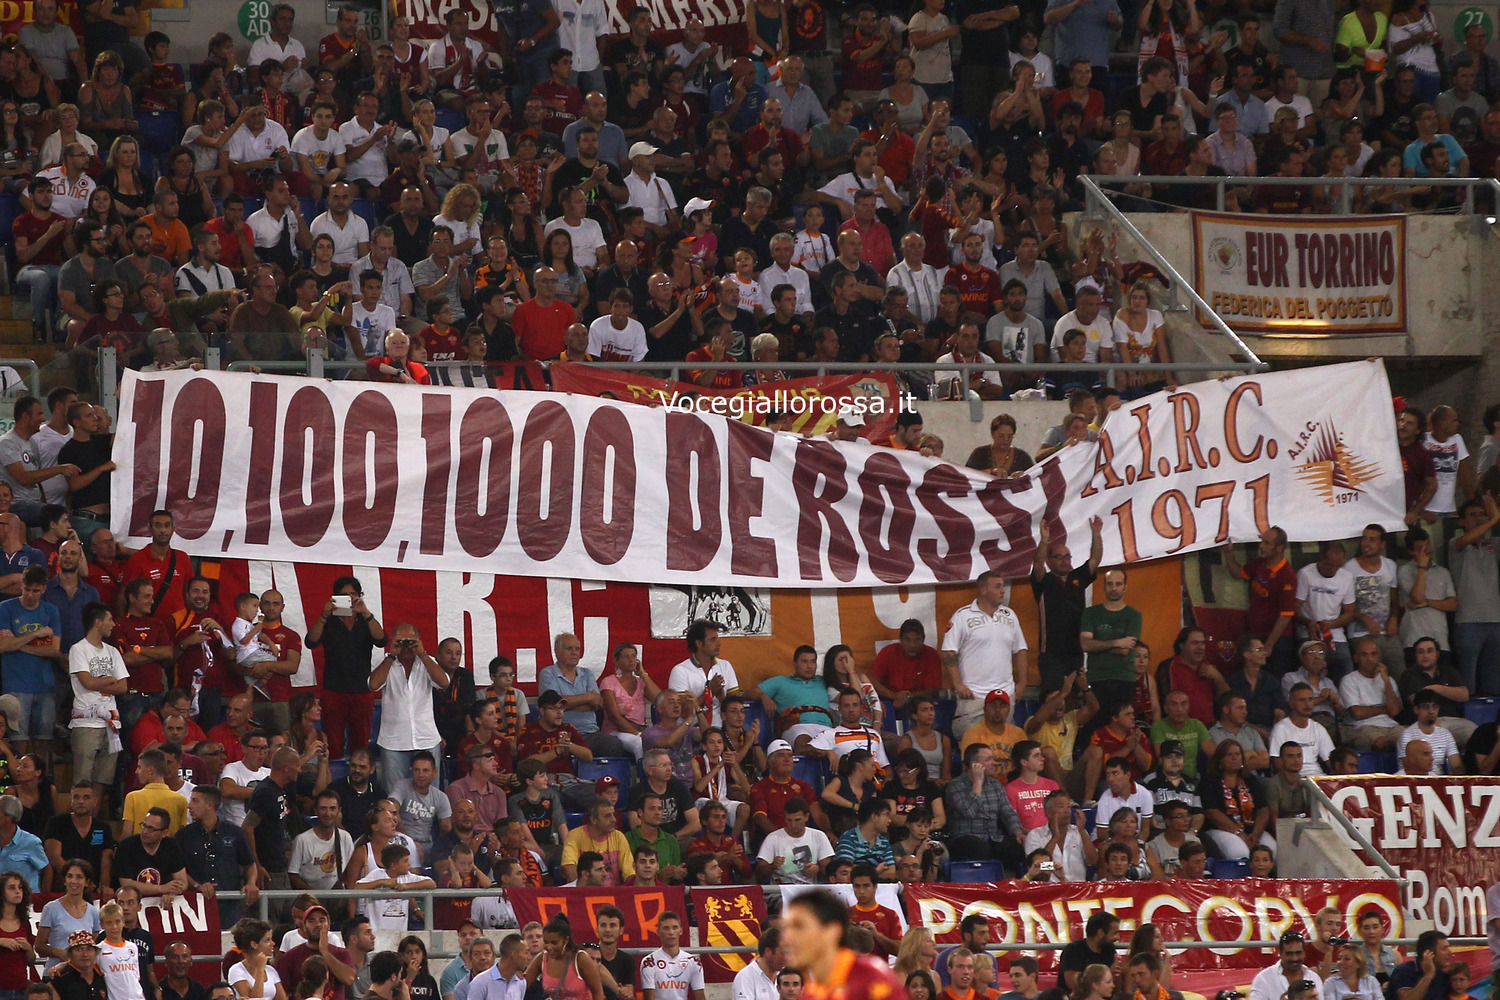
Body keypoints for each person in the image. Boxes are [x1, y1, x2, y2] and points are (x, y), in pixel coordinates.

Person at [943, 573, 1031, 738]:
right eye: (997, 587)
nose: (1002, 591)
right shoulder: (963, 616)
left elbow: (1020, 649)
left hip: (1005, 694)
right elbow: (948, 652)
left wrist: (1023, 682)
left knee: (1004, 746)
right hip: (973, 695)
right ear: (983, 589)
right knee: (973, 746)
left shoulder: (1009, 615)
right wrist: (958, 685)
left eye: (1002, 586)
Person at [522, 916, 604, 1000]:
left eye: (554, 943)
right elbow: (522, 985)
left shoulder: (580, 958)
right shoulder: (542, 958)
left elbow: (598, 993)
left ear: (566, 940)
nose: (549, 947)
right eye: (546, 942)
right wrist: (516, 973)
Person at [1057, 914, 1119, 991]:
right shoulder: (1074, 949)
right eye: (1115, 933)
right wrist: (1107, 975)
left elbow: (1116, 987)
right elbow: (1072, 984)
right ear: (1100, 933)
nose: (1118, 937)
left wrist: (1118, 975)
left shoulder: (1109, 949)